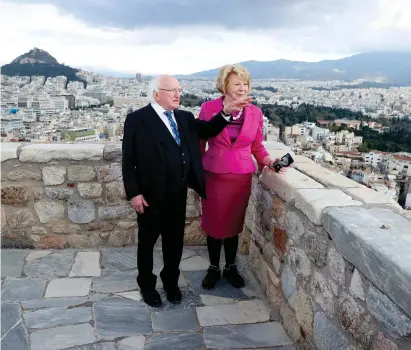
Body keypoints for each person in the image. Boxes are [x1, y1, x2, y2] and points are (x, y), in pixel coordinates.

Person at [122, 74, 251, 307]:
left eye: (179, 90)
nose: (177, 94)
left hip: (177, 193)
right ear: (156, 94)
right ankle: (147, 285)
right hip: (150, 196)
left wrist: (226, 112)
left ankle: (170, 282)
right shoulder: (137, 119)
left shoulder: (183, 117)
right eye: (171, 90)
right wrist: (134, 193)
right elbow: (128, 160)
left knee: (174, 242)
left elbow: (209, 129)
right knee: (147, 243)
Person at [198, 64, 286, 290]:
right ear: (224, 85)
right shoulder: (209, 108)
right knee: (214, 223)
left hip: (240, 177)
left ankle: (230, 267)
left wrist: (269, 162)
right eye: (237, 83)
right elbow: (199, 142)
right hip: (214, 175)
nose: (242, 87)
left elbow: (257, 146)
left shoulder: (255, 112)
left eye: (245, 84)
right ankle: (213, 268)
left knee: (234, 223)